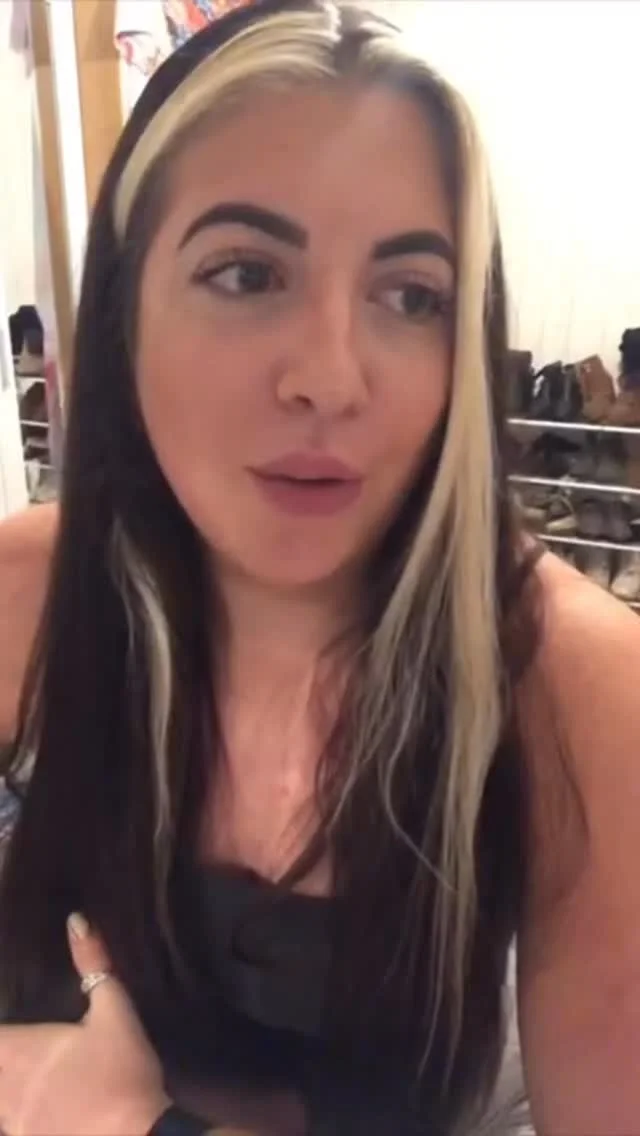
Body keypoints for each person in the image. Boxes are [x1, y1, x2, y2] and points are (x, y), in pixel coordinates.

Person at [1, 1, 640, 1132]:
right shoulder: (26, 600)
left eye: (411, 296)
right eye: (247, 274)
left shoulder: (579, 694)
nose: (333, 379)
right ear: (124, 309)